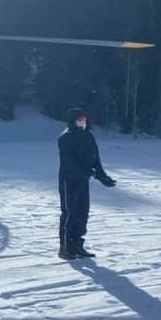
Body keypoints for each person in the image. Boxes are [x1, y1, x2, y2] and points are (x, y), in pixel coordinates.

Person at [58, 107, 116, 259]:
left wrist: (103, 176)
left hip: (83, 180)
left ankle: (77, 245)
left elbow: (95, 160)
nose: (82, 122)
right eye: (79, 119)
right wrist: (90, 172)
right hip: (68, 180)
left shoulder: (88, 137)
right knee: (70, 212)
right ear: (72, 121)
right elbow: (70, 162)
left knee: (82, 212)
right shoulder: (65, 138)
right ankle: (65, 247)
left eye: (84, 119)